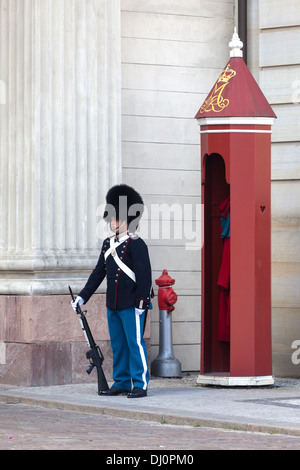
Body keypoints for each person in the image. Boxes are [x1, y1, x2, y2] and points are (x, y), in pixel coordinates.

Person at [71, 184, 152, 398]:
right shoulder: (108, 245)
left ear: (127, 219)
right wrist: (83, 296)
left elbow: (144, 276)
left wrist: (141, 303)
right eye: (111, 218)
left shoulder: (136, 244)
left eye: (116, 218)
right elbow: (99, 273)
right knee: (118, 345)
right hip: (113, 304)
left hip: (132, 304)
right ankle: (122, 381)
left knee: (134, 344)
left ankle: (140, 384)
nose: (112, 222)